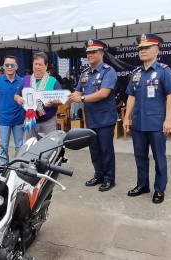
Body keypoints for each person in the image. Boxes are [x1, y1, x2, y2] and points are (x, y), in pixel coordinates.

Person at [123, 34, 171, 203]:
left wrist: (169, 119)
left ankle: (159, 189)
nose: (143, 51)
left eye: (146, 48)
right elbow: (131, 96)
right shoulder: (136, 73)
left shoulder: (164, 71)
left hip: (156, 123)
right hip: (138, 122)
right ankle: (142, 185)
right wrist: (126, 118)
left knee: (159, 157)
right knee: (140, 156)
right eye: (140, 48)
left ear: (157, 50)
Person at [68, 39, 118, 192]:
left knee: (106, 149)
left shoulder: (108, 71)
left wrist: (81, 98)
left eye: (93, 52)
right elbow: (77, 91)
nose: (89, 55)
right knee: (94, 149)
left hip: (105, 119)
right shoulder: (85, 73)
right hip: (90, 118)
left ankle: (109, 178)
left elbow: (103, 93)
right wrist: (66, 96)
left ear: (101, 53)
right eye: (88, 52)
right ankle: (98, 175)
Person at [14, 52, 62, 140]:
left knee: (48, 148)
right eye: (35, 64)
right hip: (30, 120)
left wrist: (54, 102)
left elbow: (61, 99)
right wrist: (18, 99)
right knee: (30, 147)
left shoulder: (53, 81)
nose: (37, 67)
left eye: (40, 64)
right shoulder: (26, 80)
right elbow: (16, 95)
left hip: (48, 122)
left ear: (46, 65)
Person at [0, 55, 25, 164]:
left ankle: (18, 166)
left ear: (16, 67)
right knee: (3, 146)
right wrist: (1, 110)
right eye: (7, 65)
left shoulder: (22, 81)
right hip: (4, 119)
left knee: (19, 145)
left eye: (12, 65)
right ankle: (3, 168)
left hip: (19, 118)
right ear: (4, 66)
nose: (9, 67)